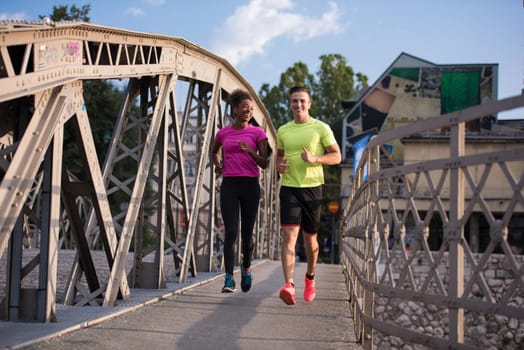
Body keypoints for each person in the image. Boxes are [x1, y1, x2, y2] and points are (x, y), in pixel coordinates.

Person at [276, 86, 341, 305]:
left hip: (313, 188)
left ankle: (310, 278)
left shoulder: (321, 128)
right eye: (294, 101)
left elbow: (337, 156)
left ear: (309, 104)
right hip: (289, 187)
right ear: (290, 103)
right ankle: (289, 285)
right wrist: (279, 166)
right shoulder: (283, 130)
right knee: (289, 236)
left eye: (302, 101)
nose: (298, 105)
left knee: (310, 240)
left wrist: (315, 159)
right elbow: (279, 156)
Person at [211, 88, 269, 293]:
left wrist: (250, 151)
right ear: (235, 109)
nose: (248, 111)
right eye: (244, 107)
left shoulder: (257, 132)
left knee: (247, 233)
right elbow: (213, 152)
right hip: (230, 185)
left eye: (251, 109)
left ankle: (246, 268)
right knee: (231, 232)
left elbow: (265, 163)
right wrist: (218, 165)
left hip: (250, 185)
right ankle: (228, 278)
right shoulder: (224, 132)